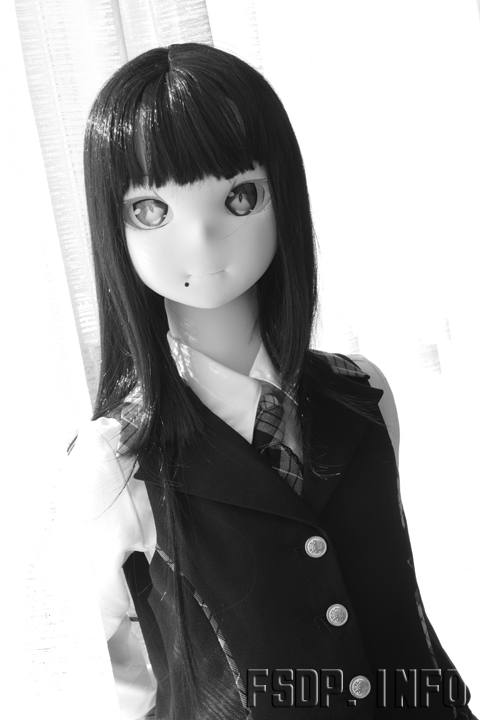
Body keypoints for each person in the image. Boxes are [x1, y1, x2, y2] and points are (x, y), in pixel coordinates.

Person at [67, 43, 474, 719]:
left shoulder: (363, 394)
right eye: (151, 210)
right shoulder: (118, 460)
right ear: (115, 228)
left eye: (240, 196)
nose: (201, 237)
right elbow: (131, 676)